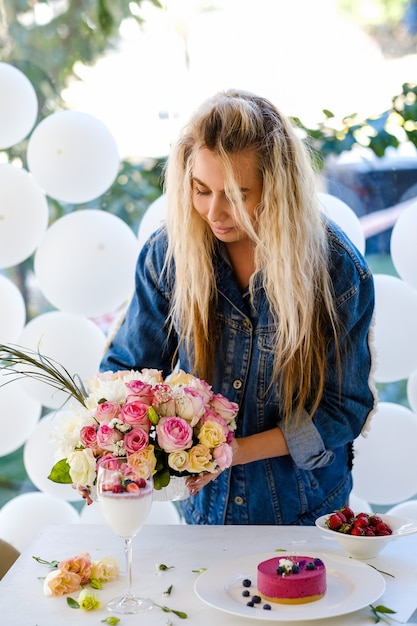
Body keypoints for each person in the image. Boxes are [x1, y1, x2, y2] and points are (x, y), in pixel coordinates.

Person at [100, 89, 377, 525]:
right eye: (201, 190)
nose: (214, 212)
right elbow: (128, 370)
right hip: (204, 510)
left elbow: (343, 409)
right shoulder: (166, 255)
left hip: (308, 511)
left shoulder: (337, 272)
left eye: (236, 193)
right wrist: (110, 440)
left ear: (278, 187)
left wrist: (232, 451)